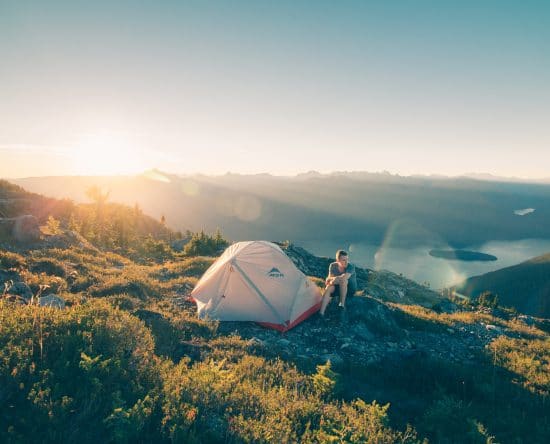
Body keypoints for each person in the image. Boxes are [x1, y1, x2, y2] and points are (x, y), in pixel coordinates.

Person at [319, 249, 357, 316]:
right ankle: (321, 313)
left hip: (350, 290)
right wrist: (334, 279)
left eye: (347, 259)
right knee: (328, 287)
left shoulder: (351, 266)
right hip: (338, 287)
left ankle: (341, 305)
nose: (346, 262)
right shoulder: (333, 265)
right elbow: (328, 280)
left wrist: (333, 279)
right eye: (343, 260)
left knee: (344, 281)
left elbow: (344, 278)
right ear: (338, 260)